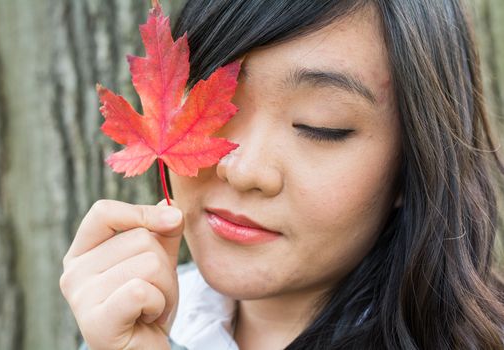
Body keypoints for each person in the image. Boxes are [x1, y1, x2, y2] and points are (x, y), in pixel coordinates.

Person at [60, 0, 504, 349]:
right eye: (214, 104)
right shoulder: (129, 321)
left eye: (320, 126)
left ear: (412, 166)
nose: (243, 169)